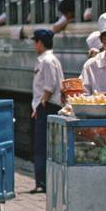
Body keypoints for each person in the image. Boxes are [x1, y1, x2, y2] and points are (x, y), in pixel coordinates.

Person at [30, 28, 63, 194]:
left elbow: (49, 85)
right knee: (44, 145)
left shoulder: (47, 61)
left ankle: (41, 182)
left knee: (41, 145)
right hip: (46, 105)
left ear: (40, 42)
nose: (34, 45)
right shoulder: (48, 59)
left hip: (47, 106)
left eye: (35, 41)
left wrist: (41, 103)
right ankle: (42, 181)